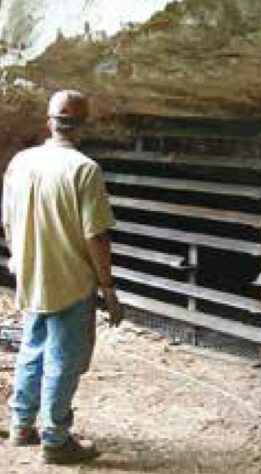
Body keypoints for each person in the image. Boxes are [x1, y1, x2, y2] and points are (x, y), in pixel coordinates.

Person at [2, 89, 123, 464]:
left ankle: (21, 425)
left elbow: (7, 221)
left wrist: (21, 263)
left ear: (49, 122)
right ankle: (56, 439)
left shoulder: (21, 162)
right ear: (82, 126)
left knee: (32, 349)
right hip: (71, 281)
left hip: (31, 276)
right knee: (63, 359)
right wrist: (108, 287)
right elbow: (96, 236)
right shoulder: (84, 170)